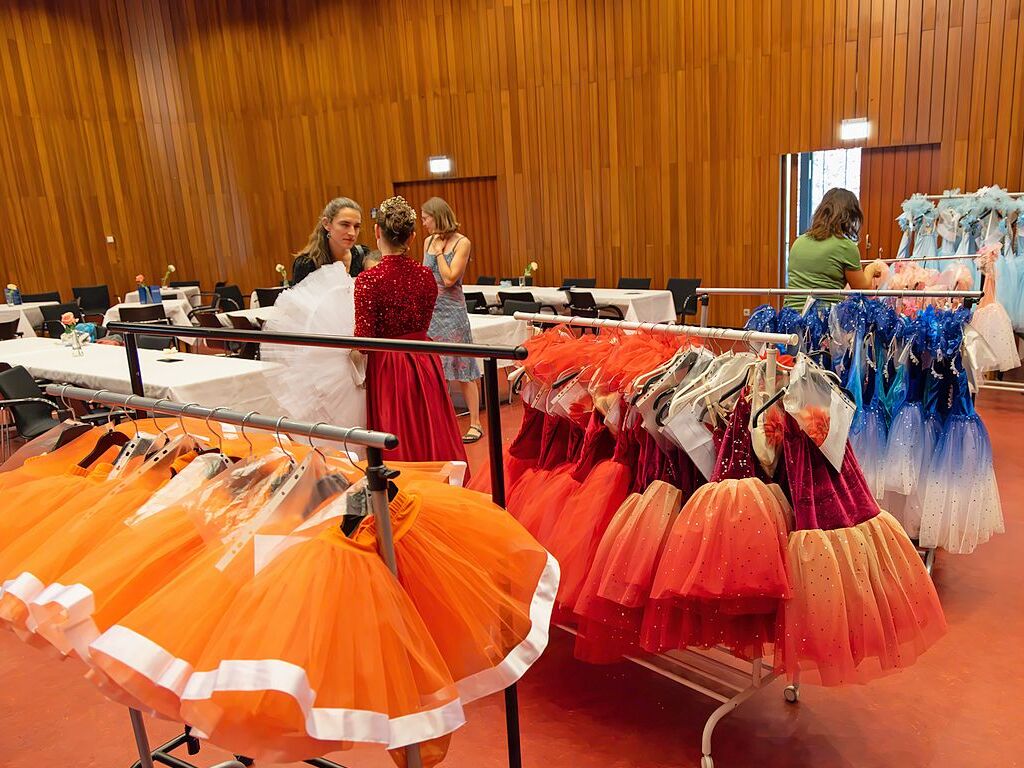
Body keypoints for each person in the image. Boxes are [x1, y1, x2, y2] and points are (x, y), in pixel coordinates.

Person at [353, 196, 468, 468]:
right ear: (413, 237)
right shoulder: (426, 276)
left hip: (389, 365)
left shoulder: (368, 279)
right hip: (425, 358)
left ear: (378, 232)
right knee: (431, 425)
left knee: (397, 430)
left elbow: (364, 342)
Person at [421, 197, 484, 444]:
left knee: (462, 368)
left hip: (453, 313)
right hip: (432, 312)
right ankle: (441, 422)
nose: (424, 222)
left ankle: (475, 423)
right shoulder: (428, 241)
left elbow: (449, 279)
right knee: (437, 369)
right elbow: (426, 275)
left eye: (426, 217)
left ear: (437, 216)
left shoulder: (462, 242)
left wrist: (438, 256)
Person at [785, 188, 885, 309]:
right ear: (850, 217)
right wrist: (871, 268)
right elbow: (862, 289)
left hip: (789, 318)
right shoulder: (845, 246)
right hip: (823, 321)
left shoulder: (798, 242)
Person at [291, 197, 372, 284]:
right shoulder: (307, 264)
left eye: (356, 226)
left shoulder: (363, 255)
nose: (352, 233)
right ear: (326, 224)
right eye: (345, 225)